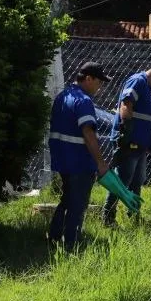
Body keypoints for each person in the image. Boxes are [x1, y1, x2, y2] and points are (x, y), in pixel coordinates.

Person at [102, 61, 151, 226]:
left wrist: (148, 142)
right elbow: (126, 104)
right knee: (123, 179)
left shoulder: (147, 88)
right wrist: (125, 131)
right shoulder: (138, 81)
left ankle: (133, 214)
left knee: (138, 179)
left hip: (140, 144)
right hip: (130, 141)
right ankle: (108, 217)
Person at [48, 62, 111, 249]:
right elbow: (88, 133)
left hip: (63, 160)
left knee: (67, 199)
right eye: (99, 82)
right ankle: (71, 245)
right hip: (79, 162)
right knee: (78, 204)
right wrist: (100, 163)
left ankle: (53, 238)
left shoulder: (63, 96)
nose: (100, 88)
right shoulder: (83, 101)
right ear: (89, 78)